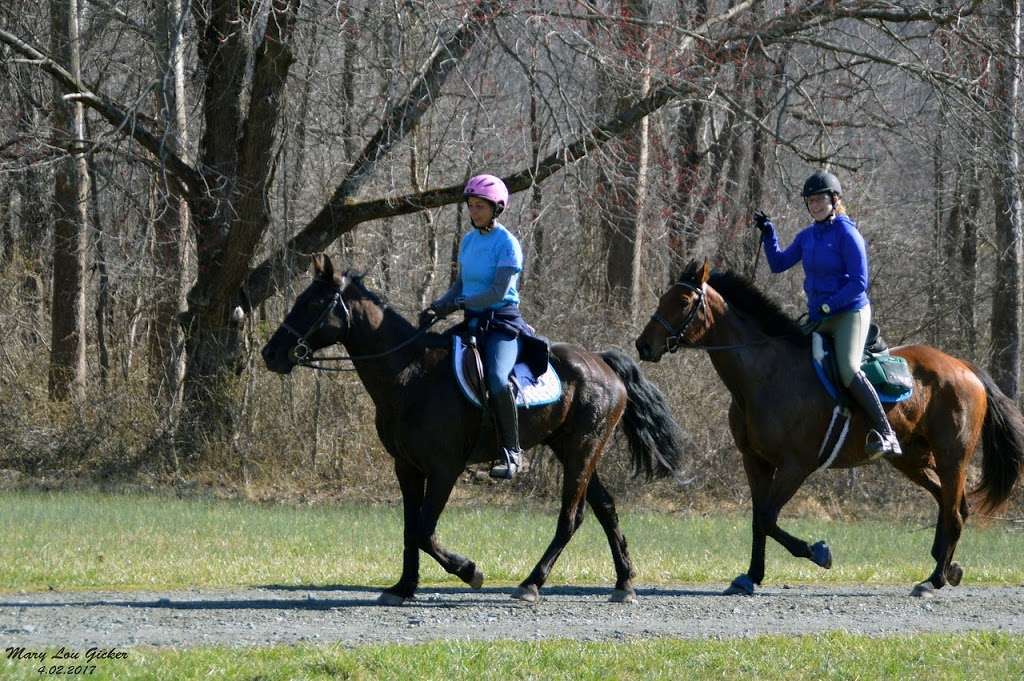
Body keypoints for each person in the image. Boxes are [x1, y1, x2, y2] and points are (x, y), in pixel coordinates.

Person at [754, 170, 901, 458]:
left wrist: (828, 306)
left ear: (834, 200)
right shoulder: (807, 236)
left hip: (850, 313)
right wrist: (769, 234)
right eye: (810, 201)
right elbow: (779, 263)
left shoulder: (848, 234)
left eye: (820, 200)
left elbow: (859, 283)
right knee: (792, 358)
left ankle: (886, 433)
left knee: (847, 368)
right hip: (821, 315)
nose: (815, 205)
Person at [419, 174, 530, 479]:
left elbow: (496, 291)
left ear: (497, 208)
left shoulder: (507, 244)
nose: (474, 211)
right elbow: (461, 285)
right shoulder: (468, 241)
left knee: (495, 377)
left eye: (481, 206)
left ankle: (512, 452)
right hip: (472, 321)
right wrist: (438, 307)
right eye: (471, 205)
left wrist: (458, 304)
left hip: (501, 324)